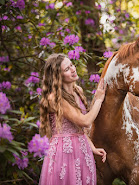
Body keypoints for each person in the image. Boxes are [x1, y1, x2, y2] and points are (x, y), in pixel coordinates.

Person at [39, 53, 107, 185]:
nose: (73, 69)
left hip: (82, 149)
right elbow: (85, 121)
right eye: (67, 69)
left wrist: (92, 147)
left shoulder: (78, 91)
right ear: (58, 77)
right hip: (64, 153)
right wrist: (98, 99)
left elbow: (79, 127)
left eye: (71, 65)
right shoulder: (55, 98)